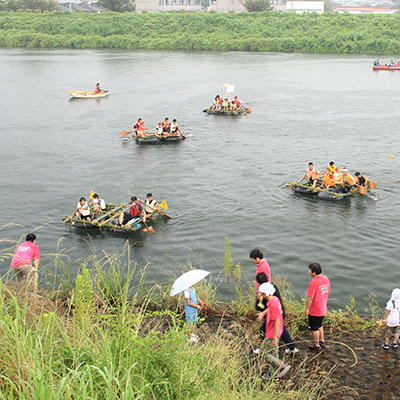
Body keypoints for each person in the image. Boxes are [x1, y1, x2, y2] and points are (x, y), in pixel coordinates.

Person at [256, 272, 299, 355]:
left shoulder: (268, 294)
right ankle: (292, 348)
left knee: (269, 330)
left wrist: (263, 313)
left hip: (276, 314)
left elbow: (272, 306)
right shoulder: (272, 287)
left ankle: (263, 350)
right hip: (278, 312)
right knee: (279, 330)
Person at [258, 282, 291, 380]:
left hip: (272, 333)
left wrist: (275, 338)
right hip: (277, 331)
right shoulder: (275, 300)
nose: (259, 295)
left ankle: (282, 366)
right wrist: (263, 314)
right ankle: (274, 375)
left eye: (261, 293)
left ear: (265, 293)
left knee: (263, 353)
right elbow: (270, 309)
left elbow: (277, 321)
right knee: (273, 353)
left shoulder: (272, 304)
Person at [305, 263, 330, 350]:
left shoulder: (313, 282)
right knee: (319, 325)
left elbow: (310, 297)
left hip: (315, 309)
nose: (309, 272)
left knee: (314, 327)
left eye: (310, 271)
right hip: (323, 307)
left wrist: (307, 309)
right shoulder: (326, 279)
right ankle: (322, 341)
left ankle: (316, 344)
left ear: (314, 272)